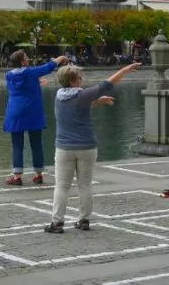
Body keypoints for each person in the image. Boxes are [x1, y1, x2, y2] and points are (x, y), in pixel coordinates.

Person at [44, 61, 141, 234]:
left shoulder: (59, 96)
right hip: (87, 147)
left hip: (64, 148)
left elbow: (77, 106)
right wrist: (125, 70)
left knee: (61, 186)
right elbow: (107, 84)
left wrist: (96, 101)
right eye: (79, 78)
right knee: (85, 185)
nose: (81, 80)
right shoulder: (83, 95)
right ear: (73, 81)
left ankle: (56, 222)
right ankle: (84, 220)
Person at [4, 50, 67, 186]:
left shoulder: (8, 75)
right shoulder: (31, 72)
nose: (28, 59)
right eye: (26, 57)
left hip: (15, 111)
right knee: (36, 143)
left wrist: (35, 82)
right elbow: (48, 67)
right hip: (32, 110)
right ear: (22, 61)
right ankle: (38, 174)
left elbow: (18, 86)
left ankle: (17, 176)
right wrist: (60, 57)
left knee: (17, 144)